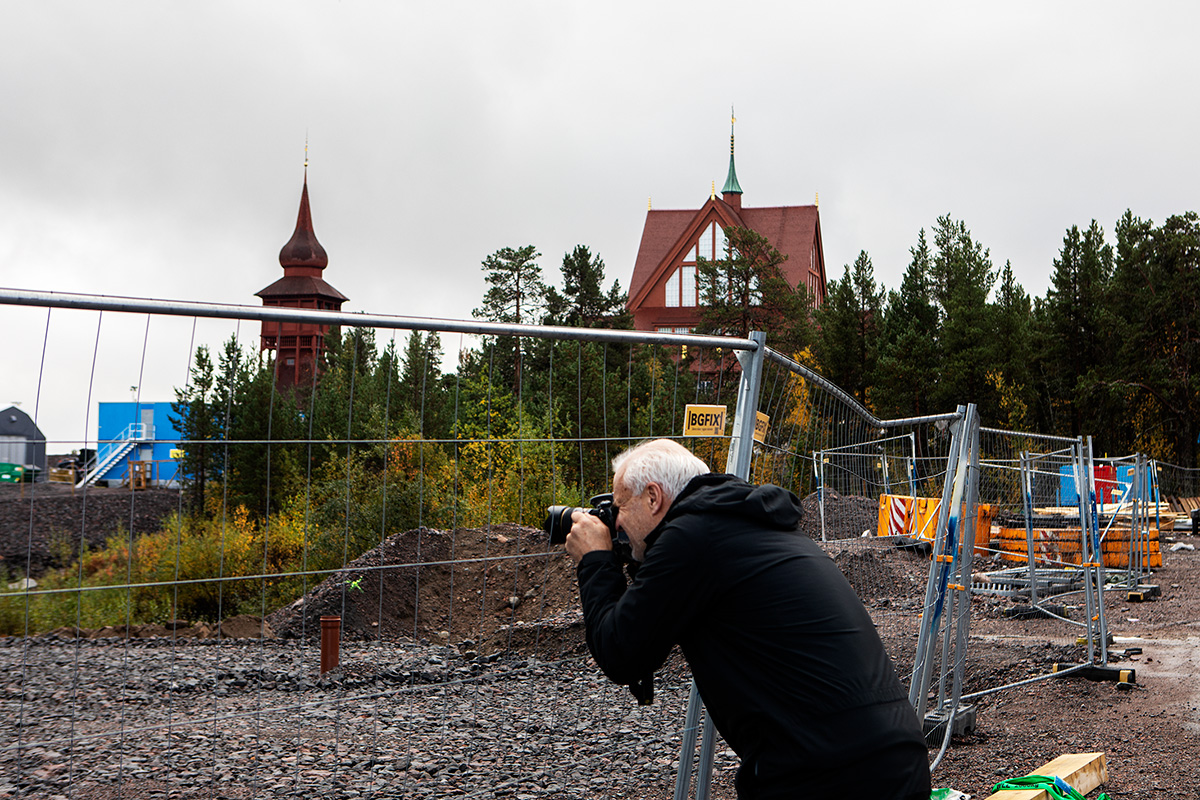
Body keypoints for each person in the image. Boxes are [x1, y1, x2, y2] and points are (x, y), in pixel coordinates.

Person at [565, 438, 931, 800]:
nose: (616, 524)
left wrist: (595, 560)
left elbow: (621, 651)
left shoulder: (692, 537)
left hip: (825, 773)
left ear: (653, 497)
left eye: (619, 509)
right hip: (894, 755)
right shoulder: (754, 523)